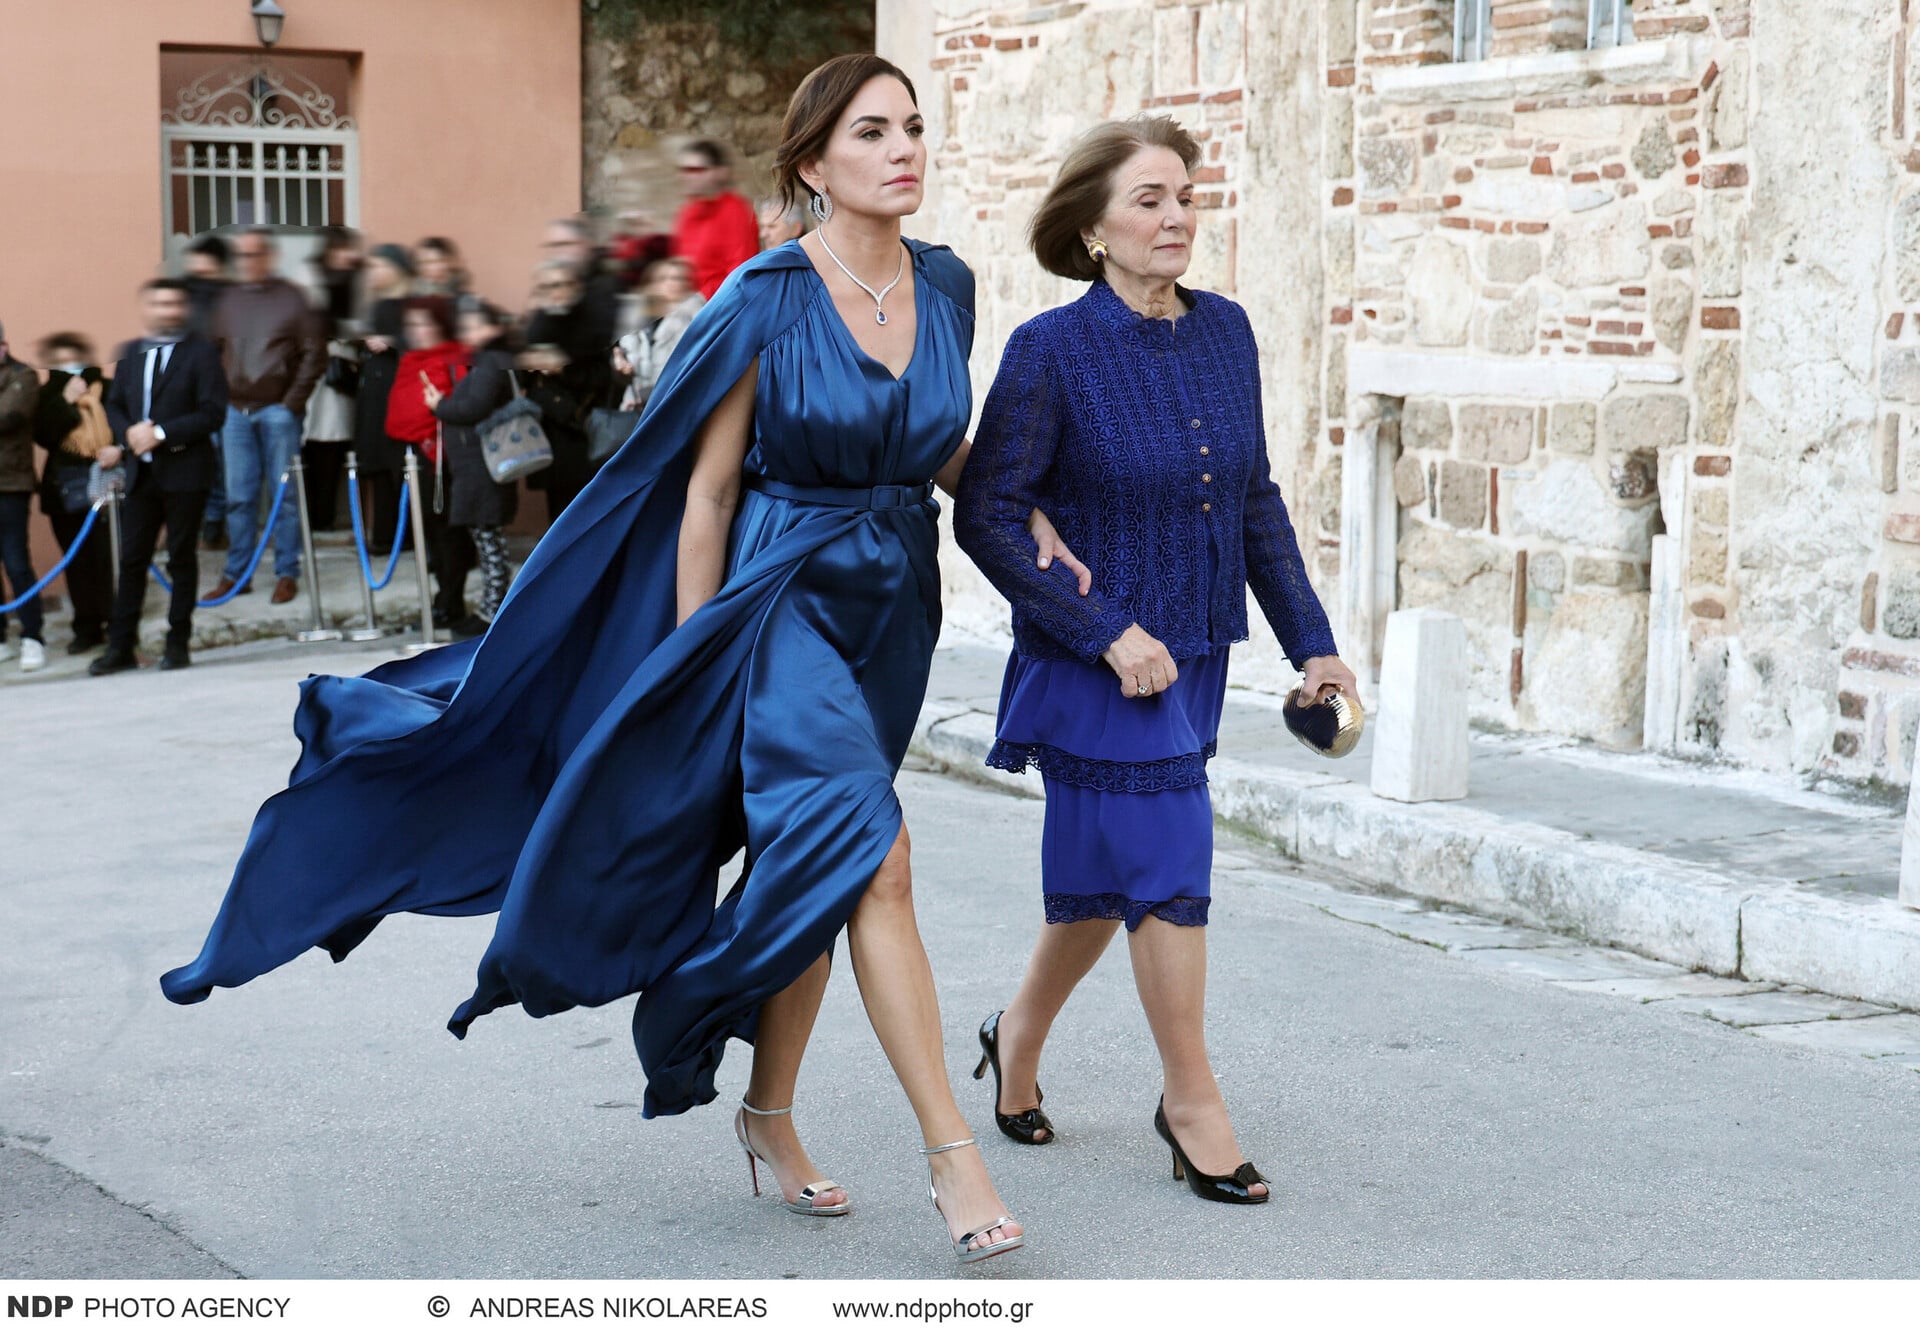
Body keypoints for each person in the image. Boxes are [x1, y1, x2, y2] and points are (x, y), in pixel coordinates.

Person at [158, 53, 1094, 1265]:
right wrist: (697, 657)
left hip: (893, 602)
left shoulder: (948, 284)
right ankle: (952, 1155)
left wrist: (1017, 507)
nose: (904, 148)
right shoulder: (763, 296)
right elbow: (706, 492)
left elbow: (930, 437)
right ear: (814, 164)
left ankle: (767, 1115)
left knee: (815, 863)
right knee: (878, 851)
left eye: (912, 126)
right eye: (871, 132)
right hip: (779, 600)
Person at [954, 116, 1360, 1205]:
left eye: (1185, 195)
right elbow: (988, 513)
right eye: (1149, 198)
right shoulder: (1051, 349)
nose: (1177, 215)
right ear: (1094, 228)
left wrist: (1314, 643)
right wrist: (1104, 629)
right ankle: (1192, 1101)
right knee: (1172, 862)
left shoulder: (1227, 331)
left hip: (1196, 652)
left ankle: (1013, 1034)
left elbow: (1253, 499)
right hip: (1099, 665)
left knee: (1102, 887)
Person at [91, 279, 229, 675]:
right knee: (132, 559)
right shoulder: (131, 352)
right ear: (146, 308)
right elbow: (115, 405)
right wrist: (129, 434)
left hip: (186, 471)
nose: (166, 311)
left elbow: (212, 412)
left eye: (173, 304)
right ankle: (121, 647)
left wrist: (162, 433)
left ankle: (177, 643)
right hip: (141, 474)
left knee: (181, 558)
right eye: (159, 304)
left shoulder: (202, 352)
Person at [209, 227, 324, 604]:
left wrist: (290, 404)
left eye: (253, 254)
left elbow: (314, 354)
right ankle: (237, 574)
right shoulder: (227, 299)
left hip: (277, 411)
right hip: (235, 413)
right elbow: (211, 350)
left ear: (269, 257)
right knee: (238, 497)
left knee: (284, 496)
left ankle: (286, 572)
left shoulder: (293, 298)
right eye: (240, 256)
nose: (246, 262)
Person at [424, 300, 520, 634]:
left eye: (475, 326)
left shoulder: (491, 361)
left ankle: (493, 612)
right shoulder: (488, 360)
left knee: (488, 538)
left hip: (483, 465)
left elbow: (474, 407)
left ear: (494, 328)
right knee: (487, 536)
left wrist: (440, 405)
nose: (468, 333)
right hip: (478, 465)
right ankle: (492, 608)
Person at [384, 296, 471, 628]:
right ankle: (442, 597)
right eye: (412, 324)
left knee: (446, 531)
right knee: (428, 533)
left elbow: (461, 405)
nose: (417, 330)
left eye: (424, 323)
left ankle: (450, 601)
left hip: (438, 457)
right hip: (407, 453)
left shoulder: (454, 358)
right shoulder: (411, 359)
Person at [31, 333, 116, 655]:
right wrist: (65, 401)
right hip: (65, 489)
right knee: (77, 561)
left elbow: (122, 423)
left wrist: (116, 449)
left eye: (75, 358)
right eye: (62, 360)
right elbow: (43, 435)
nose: (71, 365)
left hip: (106, 482)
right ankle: (86, 626)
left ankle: (116, 622)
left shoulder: (108, 388)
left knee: (107, 557)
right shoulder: (47, 395)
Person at [520, 260, 612, 522]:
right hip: (549, 432)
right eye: (548, 286)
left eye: (561, 284)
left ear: (576, 287)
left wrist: (562, 369)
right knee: (558, 510)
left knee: (587, 508)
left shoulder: (592, 323)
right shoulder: (537, 324)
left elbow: (604, 376)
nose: (555, 292)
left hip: (585, 430)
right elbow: (523, 380)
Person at [351, 244, 413, 556]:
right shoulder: (375, 304)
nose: (373, 273)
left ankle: (407, 535)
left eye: (379, 266)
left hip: (400, 392)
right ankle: (385, 535)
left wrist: (391, 342)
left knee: (400, 466)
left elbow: (426, 341)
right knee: (377, 464)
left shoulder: (412, 303)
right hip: (374, 394)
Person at [303, 225, 362, 531]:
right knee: (308, 449)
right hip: (311, 373)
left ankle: (324, 518)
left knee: (334, 449)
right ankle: (308, 518)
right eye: (340, 249)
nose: (345, 256)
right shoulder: (310, 277)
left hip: (342, 373)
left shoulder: (358, 281)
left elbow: (363, 324)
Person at [183, 234, 234, 550]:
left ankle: (215, 519)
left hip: (222, 386)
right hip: (190, 386)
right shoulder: (183, 293)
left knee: (221, 456)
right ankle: (206, 518)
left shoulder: (230, 295)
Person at [0, 318, 44, 672]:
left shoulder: (23, 376)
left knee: (16, 562)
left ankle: (33, 636)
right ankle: (1, 638)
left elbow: (8, 417)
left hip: (11, 484)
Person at [672, 139, 760, 299]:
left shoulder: (736, 212)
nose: (686, 177)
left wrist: (697, 300)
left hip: (716, 305)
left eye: (696, 170)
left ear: (720, 172)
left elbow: (738, 276)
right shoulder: (686, 213)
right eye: (683, 170)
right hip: (685, 303)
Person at [612, 258, 704, 412]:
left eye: (679, 278)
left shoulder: (698, 317)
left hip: (677, 406)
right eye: (663, 278)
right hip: (635, 406)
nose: (672, 283)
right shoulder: (637, 316)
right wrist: (619, 364)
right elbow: (623, 370)